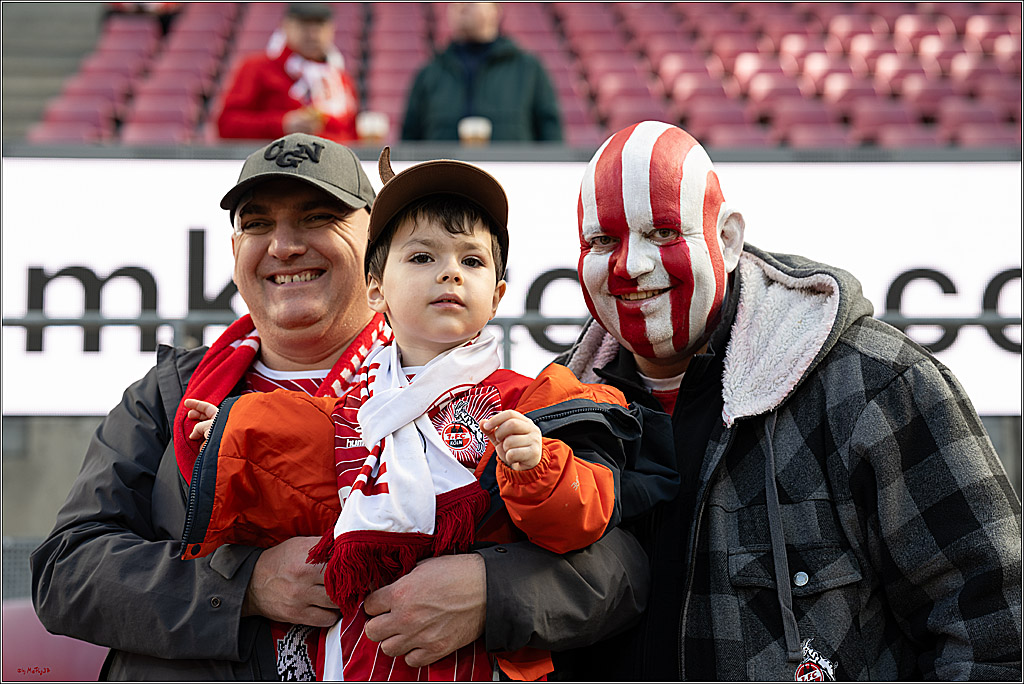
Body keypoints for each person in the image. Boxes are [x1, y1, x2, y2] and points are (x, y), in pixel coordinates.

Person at [29, 132, 651, 680]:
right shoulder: (169, 395)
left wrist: (494, 592)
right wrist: (243, 587)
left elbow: (621, 568)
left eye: (317, 216)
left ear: (372, 244)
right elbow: (67, 572)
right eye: (257, 224)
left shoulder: (501, 394)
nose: (284, 245)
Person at [550, 120, 1023, 681]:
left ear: (725, 239)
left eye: (662, 233)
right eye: (603, 241)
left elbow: (997, 629)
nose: (631, 265)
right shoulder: (555, 411)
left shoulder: (878, 386)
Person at [401, 2, 562, 142]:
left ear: (496, 10)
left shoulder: (529, 70)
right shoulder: (429, 73)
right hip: (444, 177)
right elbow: (410, 141)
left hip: (510, 176)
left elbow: (551, 137)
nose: (461, 5)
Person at [216, 3, 359, 143]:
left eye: (320, 26)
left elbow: (351, 135)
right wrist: (282, 125)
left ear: (331, 30)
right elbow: (227, 125)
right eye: (304, 25)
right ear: (286, 26)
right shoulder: (257, 69)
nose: (313, 34)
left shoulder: (340, 79)